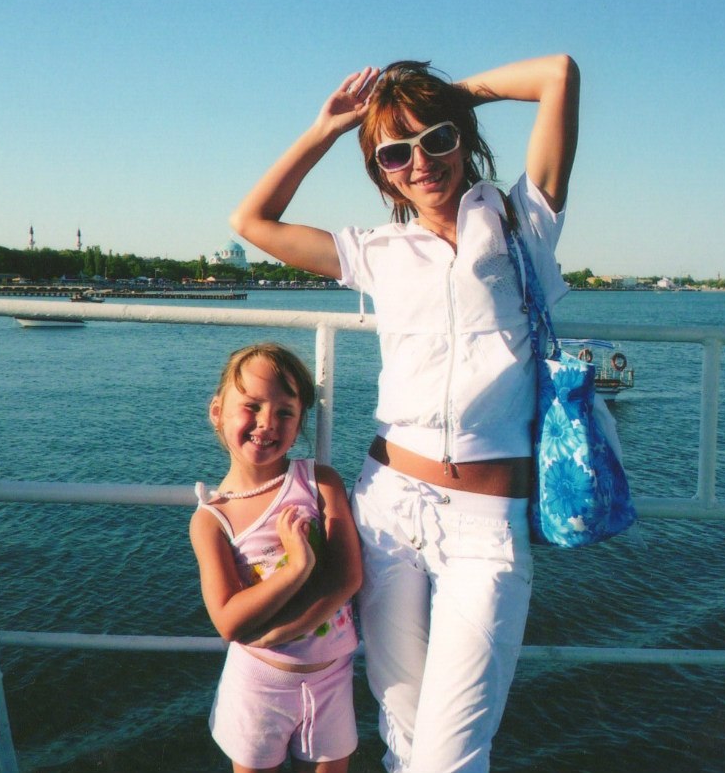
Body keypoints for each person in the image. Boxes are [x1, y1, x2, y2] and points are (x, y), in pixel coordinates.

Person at [230, 55, 580, 773]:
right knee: (407, 740)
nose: (420, 162)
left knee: (451, 756)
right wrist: (327, 129)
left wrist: (439, 97)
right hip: (387, 512)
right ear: (381, 172)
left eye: (437, 139)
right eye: (396, 152)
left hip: (487, 526)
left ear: (463, 138)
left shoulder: (521, 222)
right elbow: (252, 221)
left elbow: (558, 75)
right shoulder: (377, 252)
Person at [190, 342, 363, 773]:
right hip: (258, 686)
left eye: (285, 412)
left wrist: (277, 631)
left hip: (331, 678)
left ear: (300, 421)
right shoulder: (212, 520)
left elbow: (347, 576)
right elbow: (228, 621)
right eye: (251, 406)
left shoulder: (319, 483)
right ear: (218, 412)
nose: (267, 422)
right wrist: (297, 567)